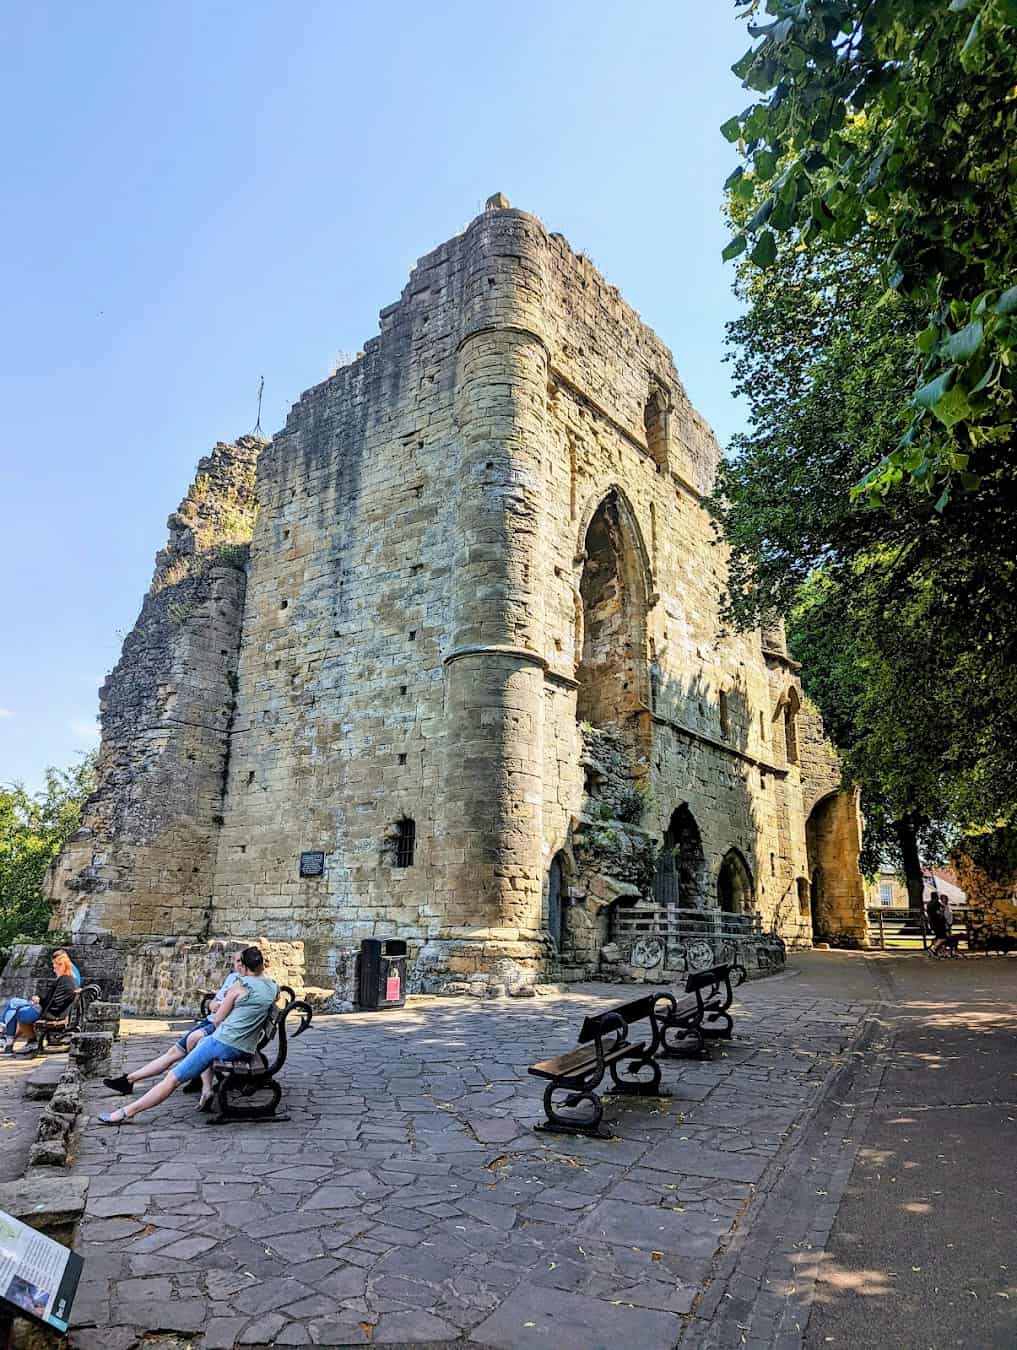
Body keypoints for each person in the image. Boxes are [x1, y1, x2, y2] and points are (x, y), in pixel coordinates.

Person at [98, 946, 278, 1124]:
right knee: (199, 1044)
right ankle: (205, 1089)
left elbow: (217, 1019)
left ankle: (127, 1112)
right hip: (246, 1048)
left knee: (173, 1078)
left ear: (245, 968)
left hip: (224, 1043)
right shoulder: (272, 988)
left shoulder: (240, 986)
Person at [102, 951, 247, 1097]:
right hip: (209, 1020)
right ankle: (129, 1080)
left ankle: (199, 1079)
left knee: (191, 1043)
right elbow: (215, 1000)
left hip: (219, 1026)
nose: (239, 965)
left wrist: (219, 1008)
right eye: (236, 961)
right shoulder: (232, 977)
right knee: (172, 1053)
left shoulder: (246, 984)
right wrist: (213, 1005)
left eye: (242, 961)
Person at [3, 953, 79, 1054]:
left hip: (49, 1013)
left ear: (62, 965)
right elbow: (54, 1000)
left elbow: (53, 1002)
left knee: (17, 1010)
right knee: (14, 1003)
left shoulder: (64, 980)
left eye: (54, 966)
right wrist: (38, 999)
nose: (53, 969)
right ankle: (8, 1037)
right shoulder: (69, 980)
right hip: (50, 1010)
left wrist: (38, 1000)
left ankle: (23, 1041)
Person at [926, 891, 948, 957]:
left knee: (938, 937)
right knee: (943, 938)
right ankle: (933, 949)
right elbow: (939, 912)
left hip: (932, 923)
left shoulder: (929, 904)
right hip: (938, 923)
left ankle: (938, 951)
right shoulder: (936, 903)